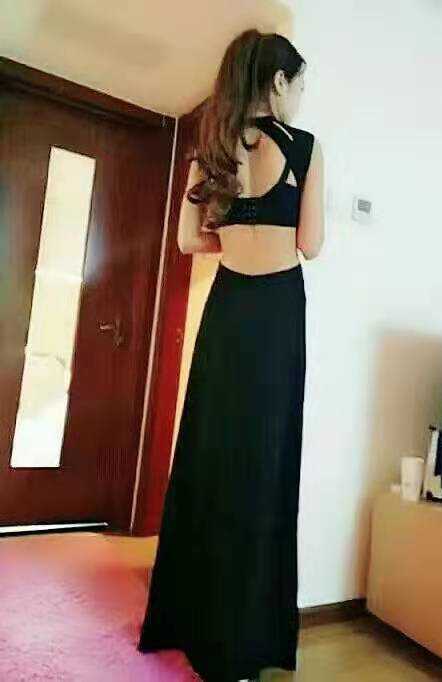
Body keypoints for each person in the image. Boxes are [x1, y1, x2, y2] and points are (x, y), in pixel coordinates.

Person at [137, 28, 324, 682]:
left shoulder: (212, 148)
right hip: (277, 316)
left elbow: (190, 241)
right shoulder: (304, 147)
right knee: (263, 467)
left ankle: (189, 622)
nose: (301, 96)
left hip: (229, 309)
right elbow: (311, 245)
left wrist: (237, 235)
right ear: (278, 82)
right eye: (299, 84)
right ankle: (244, 641)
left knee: (210, 455)